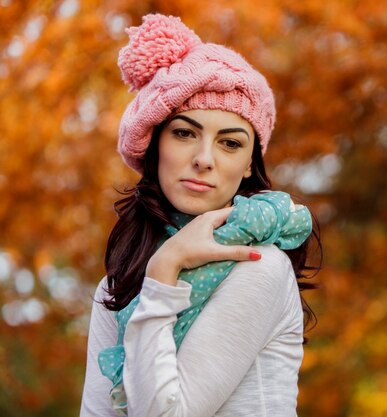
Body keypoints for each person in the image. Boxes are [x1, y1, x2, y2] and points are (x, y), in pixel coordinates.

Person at [79, 14, 319, 417]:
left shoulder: (260, 267)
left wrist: (167, 265)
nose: (204, 159)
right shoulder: (117, 286)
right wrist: (159, 269)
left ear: (248, 165)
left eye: (229, 143)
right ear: (156, 144)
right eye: (185, 133)